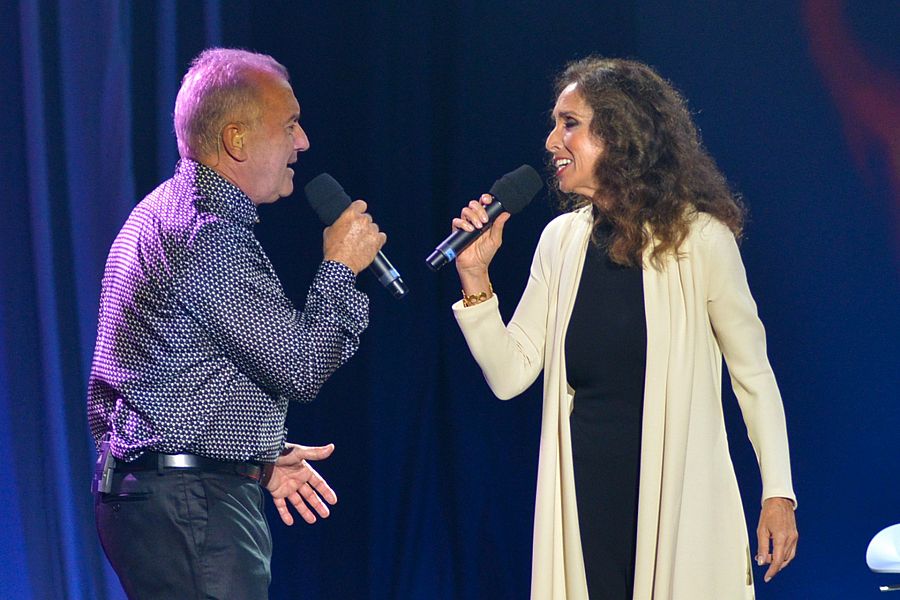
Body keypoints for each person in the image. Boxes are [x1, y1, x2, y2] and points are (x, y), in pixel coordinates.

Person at [450, 57, 798, 599]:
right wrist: (476, 279)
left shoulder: (700, 240)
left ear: (620, 133)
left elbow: (753, 375)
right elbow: (510, 374)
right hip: (586, 504)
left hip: (679, 504)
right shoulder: (560, 242)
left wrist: (778, 493)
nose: (551, 141)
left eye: (570, 123)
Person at [87, 48, 385, 599]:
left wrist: (253, 454)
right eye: (290, 125)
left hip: (165, 494)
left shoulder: (165, 210)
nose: (304, 142)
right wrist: (341, 268)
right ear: (236, 139)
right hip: (191, 503)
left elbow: (175, 378)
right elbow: (300, 366)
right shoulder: (208, 236)